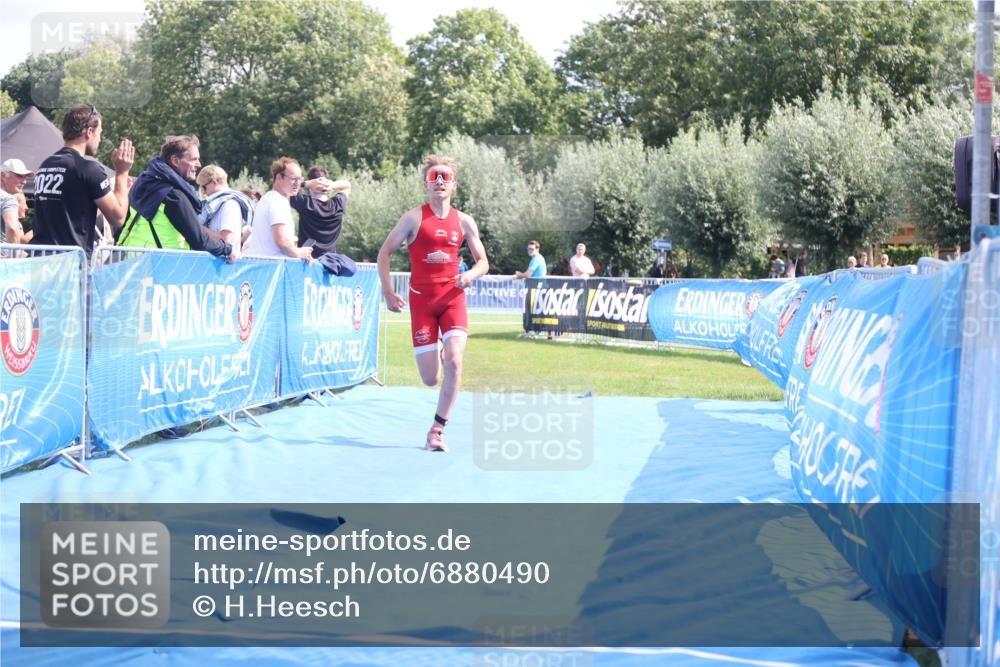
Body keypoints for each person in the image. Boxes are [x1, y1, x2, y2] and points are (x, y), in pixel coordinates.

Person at [377, 155, 489, 452]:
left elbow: (483, 262)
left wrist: (471, 276)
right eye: (434, 177)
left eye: (445, 177)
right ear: (426, 184)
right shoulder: (413, 218)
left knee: (454, 361)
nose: (439, 181)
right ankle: (436, 349)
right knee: (430, 378)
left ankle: (437, 430)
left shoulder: (464, 221)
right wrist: (388, 291)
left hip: (453, 299)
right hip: (422, 303)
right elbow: (384, 253)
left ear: (454, 185)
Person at [29, 105, 133, 256]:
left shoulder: (45, 165)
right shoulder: (87, 168)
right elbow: (118, 217)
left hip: (41, 260)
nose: (100, 139)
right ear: (89, 131)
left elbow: (72, 210)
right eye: (99, 133)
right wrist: (122, 172)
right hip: (69, 266)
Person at [122, 135, 234, 261]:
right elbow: (200, 241)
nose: (199, 164)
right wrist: (228, 249)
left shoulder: (142, 184)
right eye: (193, 159)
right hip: (164, 267)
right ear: (175, 161)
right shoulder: (173, 196)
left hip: (133, 262)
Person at [246, 157, 314, 262]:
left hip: (262, 266)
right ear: (279, 178)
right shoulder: (278, 201)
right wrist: (300, 253)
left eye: (300, 179)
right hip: (271, 269)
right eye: (293, 179)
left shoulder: (267, 198)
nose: (298, 183)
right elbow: (282, 241)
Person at [291, 166, 351, 256]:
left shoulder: (305, 203)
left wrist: (306, 183)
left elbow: (287, 187)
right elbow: (347, 185)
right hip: (330, 263)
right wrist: (332, 185)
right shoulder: (337, 205)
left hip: (307, 262)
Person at [196, 164, 253, 256]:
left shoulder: (230, 205)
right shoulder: (217, 204)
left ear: (214, 182)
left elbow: (226, 241)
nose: (203, 192)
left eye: (204, 187)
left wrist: (197, 227)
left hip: (224, 265)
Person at [1, 158, 32, 246]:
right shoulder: (8, 199)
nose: (24, 181)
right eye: (19, 176)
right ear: (3, 176)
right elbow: (12, 228)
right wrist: (15, 256)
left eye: (25, 177)